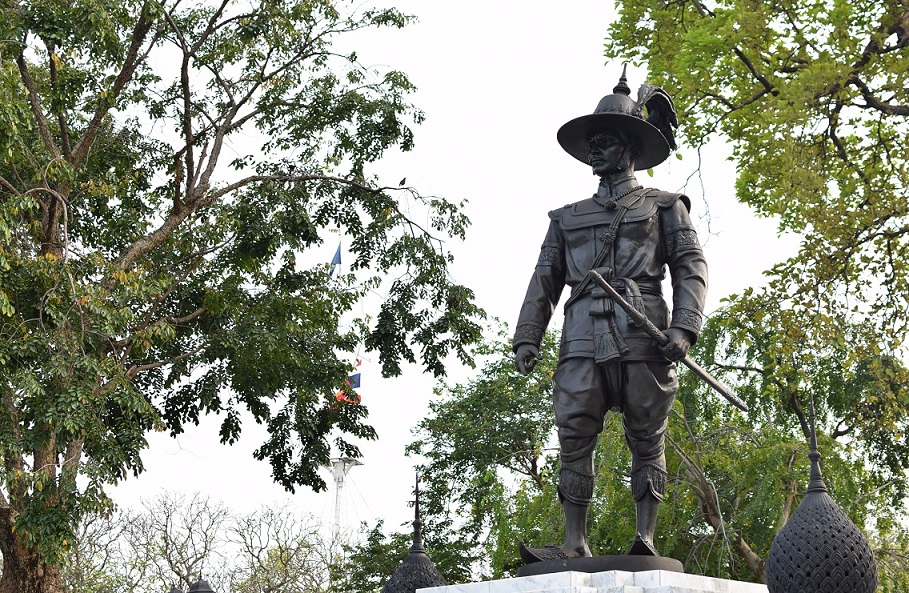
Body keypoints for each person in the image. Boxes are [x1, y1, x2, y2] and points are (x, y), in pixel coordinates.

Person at [514, 69, 708, 562]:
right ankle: (574, 542)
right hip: (581, 332)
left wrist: (684, 327)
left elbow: (690, 267)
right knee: (574, 432)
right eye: (592, 142)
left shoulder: (665, 206)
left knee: (647, 433)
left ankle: (646, 535)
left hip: (644, 328)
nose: (595, 150)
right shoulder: (566, 217)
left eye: (605, 141)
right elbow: (544, 278)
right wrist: (527, 336)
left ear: (629, 148)